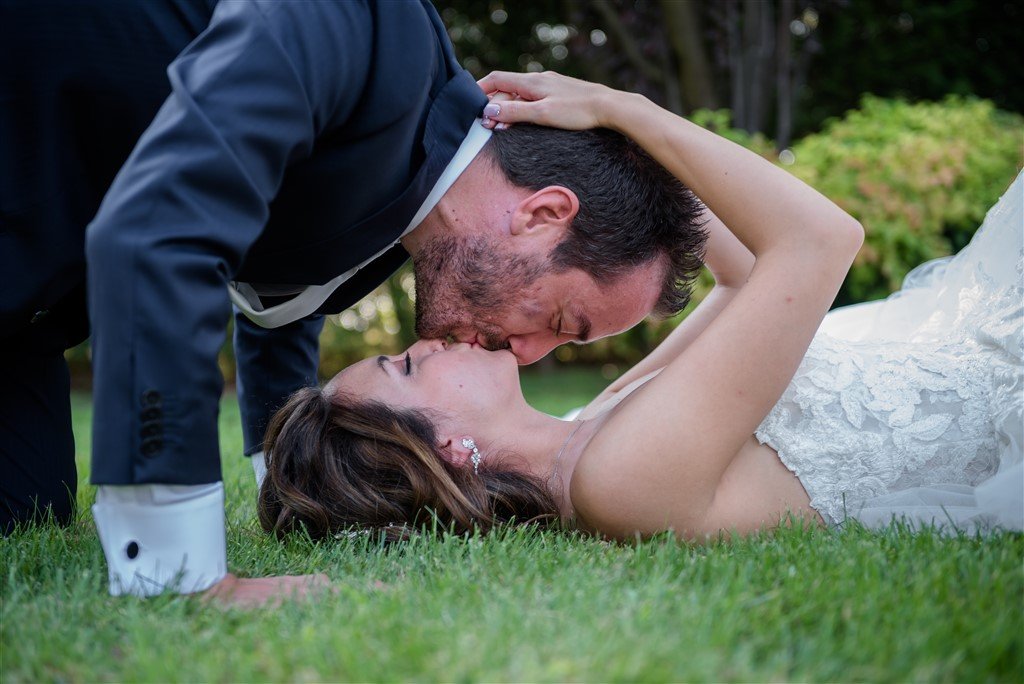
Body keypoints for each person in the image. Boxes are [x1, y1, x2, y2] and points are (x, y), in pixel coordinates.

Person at [1, 2, 705, 604]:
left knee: (31, 507)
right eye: (557, 324)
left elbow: (281, 301)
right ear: (544, 214)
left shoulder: (422, 221)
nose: (528, 356)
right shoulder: (358, 27)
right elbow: (162, 230)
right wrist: (174, 570)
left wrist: (297, 472)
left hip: (29, 308)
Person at [258, 72, 1023, 544]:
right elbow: (817, 241)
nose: (422, 342)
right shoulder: (616, 484)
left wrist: (608, 163)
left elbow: (737, 278)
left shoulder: (596, 427)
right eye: (402, 367)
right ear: (449, 451)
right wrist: (628, 112)